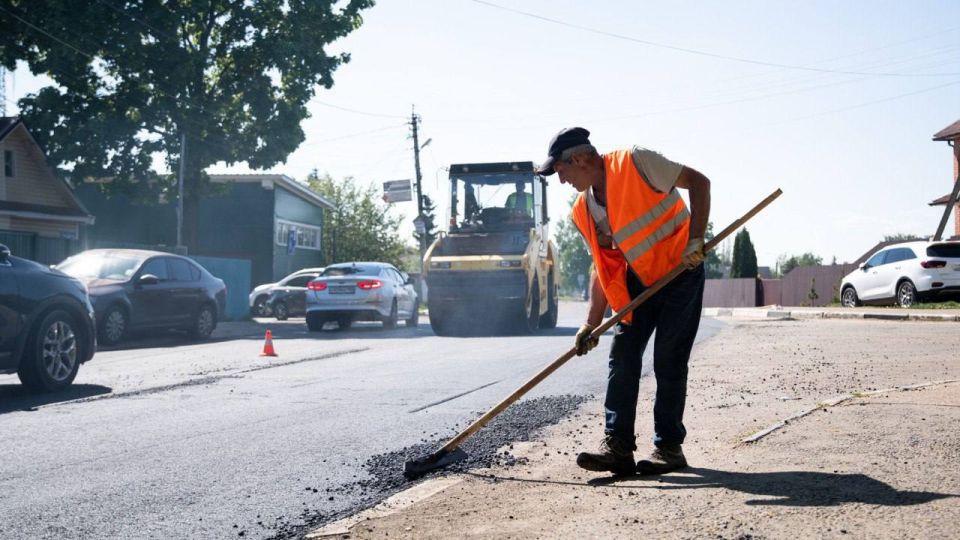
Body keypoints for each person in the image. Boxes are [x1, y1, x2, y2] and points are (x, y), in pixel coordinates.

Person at [536, 127, 710, 476]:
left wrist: (696, 241)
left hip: (681, 272)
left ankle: (669, 448)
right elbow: (601, 267)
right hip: (640, 281)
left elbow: (700, 183)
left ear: (580, 159)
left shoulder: (636, 162)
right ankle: (617, 447)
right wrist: (591, 322)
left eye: (561, 172)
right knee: (623, 356)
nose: (562, 180)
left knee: (668, 359)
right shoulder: (584, 210)